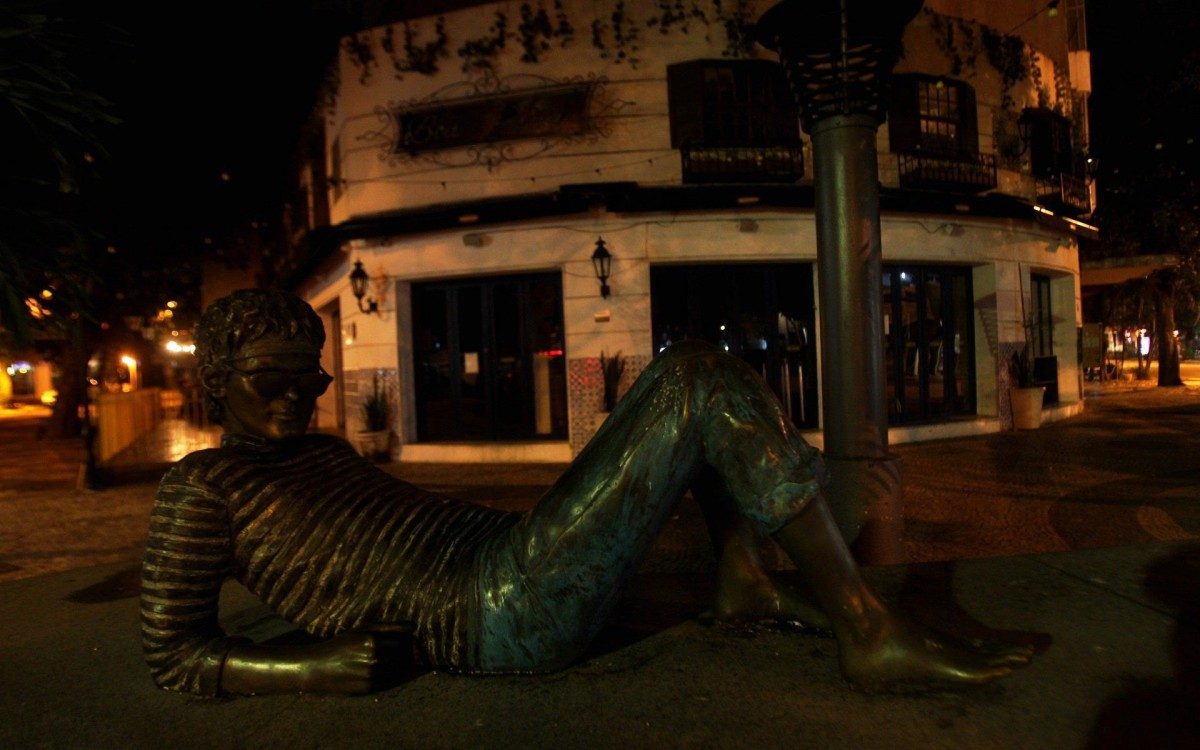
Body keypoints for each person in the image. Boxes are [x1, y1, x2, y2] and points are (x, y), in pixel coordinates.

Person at [142, 289, 1031, 696]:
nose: (298, 396)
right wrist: (306, 668)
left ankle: (745, 578)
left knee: (696, 375)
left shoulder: (319, 450)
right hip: (488, 612)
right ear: (219, 379)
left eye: (310, 379)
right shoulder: (200, 491)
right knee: (693, 380)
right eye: (272, 378)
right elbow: (172, 654)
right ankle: (867, 631)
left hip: (504, 554)